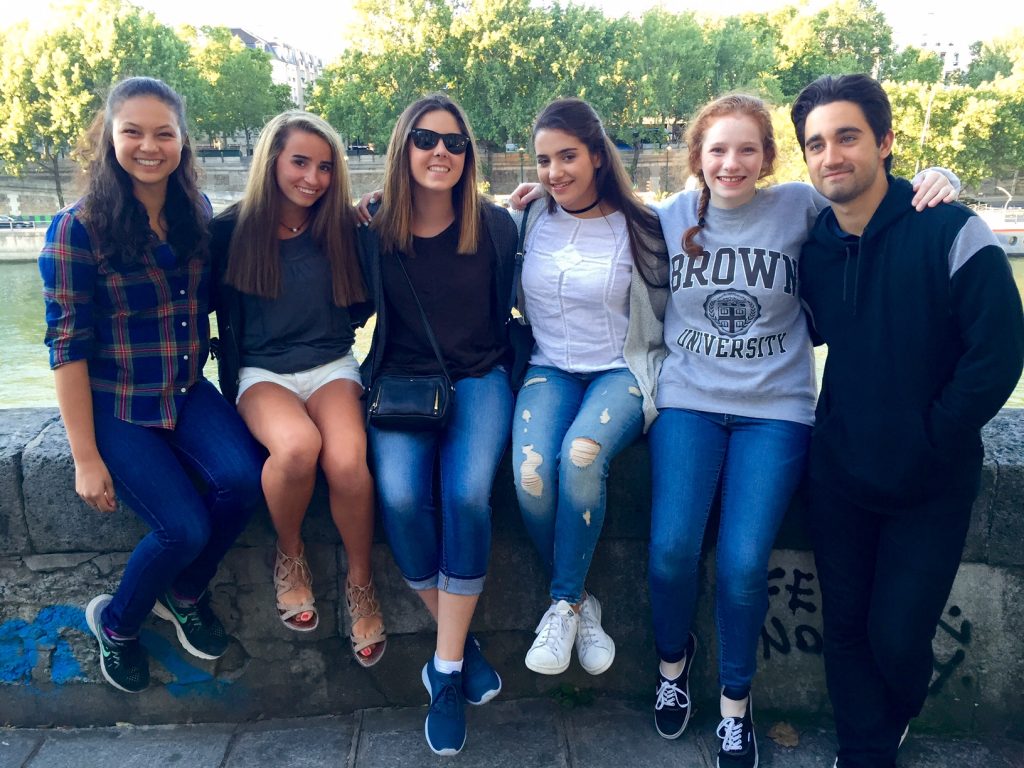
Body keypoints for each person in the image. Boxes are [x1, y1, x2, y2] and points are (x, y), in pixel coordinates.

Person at [509, 93, 958, 768]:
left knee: (745, 563)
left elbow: (875, 209)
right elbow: (592, 215)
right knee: (670, 551)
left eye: (748, 148)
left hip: (776, 411)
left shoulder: (801, 208)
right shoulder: (668, 217)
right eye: (717, 149)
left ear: (770, 157)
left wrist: (939, 180)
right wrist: (528, 202)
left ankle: (735, 706)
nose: (732, 163)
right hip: (688, 402)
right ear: (698, 157)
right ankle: (672, 667)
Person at [789, 74, 1024, 768]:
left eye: (847, 137)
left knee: (897, 634)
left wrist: (932, 437)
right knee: (847, 630)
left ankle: (899, 714)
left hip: (930, 481)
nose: (831, 155)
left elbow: (997, 355)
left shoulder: (951, 228)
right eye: (815, 144)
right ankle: (866, 748)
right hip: (837, 475)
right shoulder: (815, 249)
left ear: (886, 142)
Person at [39, 76, 264, 693]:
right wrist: (86, 458)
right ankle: (115, 623)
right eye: (132, 131)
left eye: (164, 133)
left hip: (187, 389)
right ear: (108, 138)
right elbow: (66, 348)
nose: (148, 145)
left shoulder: (195, 213)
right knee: (182, 527)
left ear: (183, 141)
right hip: (118, 403)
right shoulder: (76, 229)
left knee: (248, 481)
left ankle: (184, 593)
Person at [361, 93, 518, 756]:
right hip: (401, 384)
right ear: (404, 147)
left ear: (469, 155)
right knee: (398, 497)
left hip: (480, 378)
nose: (441, 153)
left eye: (455, 143)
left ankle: (445, 670)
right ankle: (461, 643)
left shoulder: (497, 227)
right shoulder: (371, 230)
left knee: (466, 496)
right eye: (426, 139)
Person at [209, 111, 386, 666]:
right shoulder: (231, 233)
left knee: (350, 460)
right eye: (300, 163)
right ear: (272, 162)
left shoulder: (345, 231)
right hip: (261, 374)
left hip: (332, 365)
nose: (312, 178)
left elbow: (368, 302)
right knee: (296, 447)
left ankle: (361, 583)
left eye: (325, 167)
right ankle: (291, 554)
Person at [510, 98, 667, 679]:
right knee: (530, 474)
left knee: (581, 458)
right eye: (545, 160)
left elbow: (722, 212)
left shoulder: (645, 224)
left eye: (568, 156)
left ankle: (563, 603)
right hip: (549, 366)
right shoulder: (528, 218)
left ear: (598, 157)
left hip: (619, 370)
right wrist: (368, 206)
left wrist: (937, 179)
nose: (555, 172)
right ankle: (578, 603)